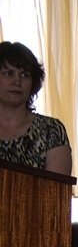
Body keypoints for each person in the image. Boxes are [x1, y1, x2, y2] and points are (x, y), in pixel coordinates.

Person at [0, 41, 71, 175]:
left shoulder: (51, 130)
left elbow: (56, 187)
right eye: (8, 73)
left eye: (24, 75)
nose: (17, 82)